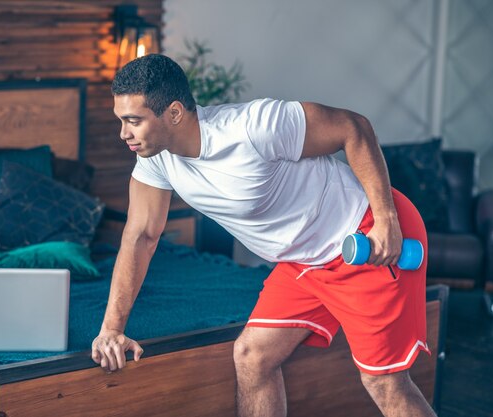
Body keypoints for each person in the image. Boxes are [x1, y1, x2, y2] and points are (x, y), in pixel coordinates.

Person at [91, 54, 437, 417]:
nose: (123, 134)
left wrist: (386, 219)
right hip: (305, 262)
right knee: (252, 356)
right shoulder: (155, 158)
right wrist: (112, 329)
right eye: (121, 121)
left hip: (365, 237)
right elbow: (141, 236)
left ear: (174, 113)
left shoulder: (253, 127)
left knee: (384, 382)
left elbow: (354, 128)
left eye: (133, 121)